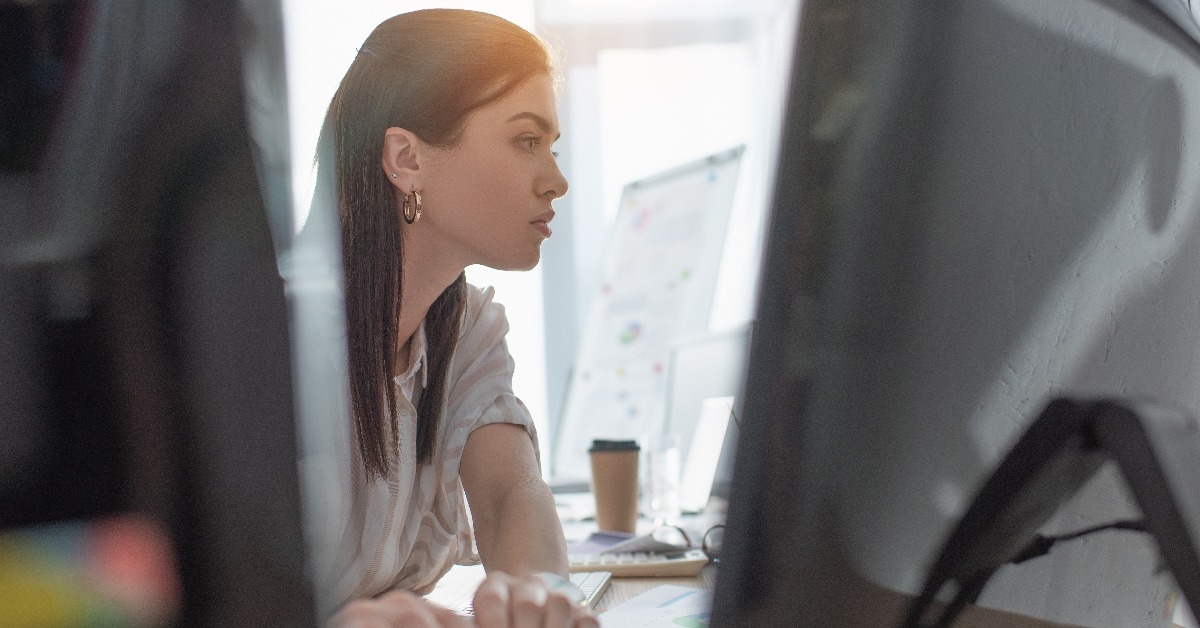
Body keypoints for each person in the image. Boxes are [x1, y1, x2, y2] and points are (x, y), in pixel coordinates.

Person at [297, 9, 597, 628]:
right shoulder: (284, 341)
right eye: (526, 141)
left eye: (552, 147)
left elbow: (512, 491)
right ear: (405, 158)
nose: (557, 181)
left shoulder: (469, 331)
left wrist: (538, 598)